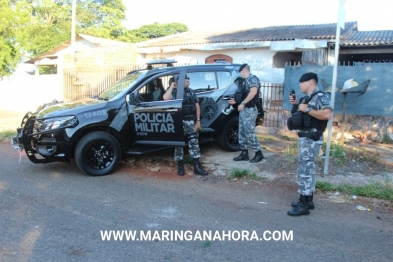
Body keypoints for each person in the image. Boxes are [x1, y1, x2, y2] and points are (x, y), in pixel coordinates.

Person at [287, 72, 333, 216]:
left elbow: (327, 114)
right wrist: (295, 104)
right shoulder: (307, 98)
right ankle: (308, 200)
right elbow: (300, 115)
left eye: (302, 82)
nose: (299, 85)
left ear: (310, 83)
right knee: (307, 169)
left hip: (311, 139)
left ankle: (303, 205)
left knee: (305, 171)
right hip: (306, 139)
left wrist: (307, 109)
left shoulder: (321, 96)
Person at [163, 75, 208, 176]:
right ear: (178, 82)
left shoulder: (191, 92)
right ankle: (180, 166)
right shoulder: (174, 92)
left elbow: (197, 106)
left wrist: (198, 121)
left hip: (190, 121)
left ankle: (196, 167)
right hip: (178, 122)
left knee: (194, 143)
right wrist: (172, 86)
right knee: (178, 144)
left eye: (188, 79)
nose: (188, 80)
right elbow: (165, 98)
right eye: (185, 79)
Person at [228, 64, 264, 163]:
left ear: (244, 71)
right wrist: (237, 101)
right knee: (242, 132)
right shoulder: (245, 81)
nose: (241, 74)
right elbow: (244, 94)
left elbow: (253, 92)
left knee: (249, 132)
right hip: (244, 110)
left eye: (241, 72)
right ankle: (244, 153)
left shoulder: (253, 79)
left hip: (249, 109)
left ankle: (258, 153)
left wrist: (243, 103)